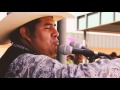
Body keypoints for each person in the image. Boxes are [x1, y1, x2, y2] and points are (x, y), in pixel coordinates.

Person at [0, 12, 120, 78]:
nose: (56, 33)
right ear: (25, 33)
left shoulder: (16, 56)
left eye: (55, 27)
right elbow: (75, 75)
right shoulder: (24, 61)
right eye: (47, 28)